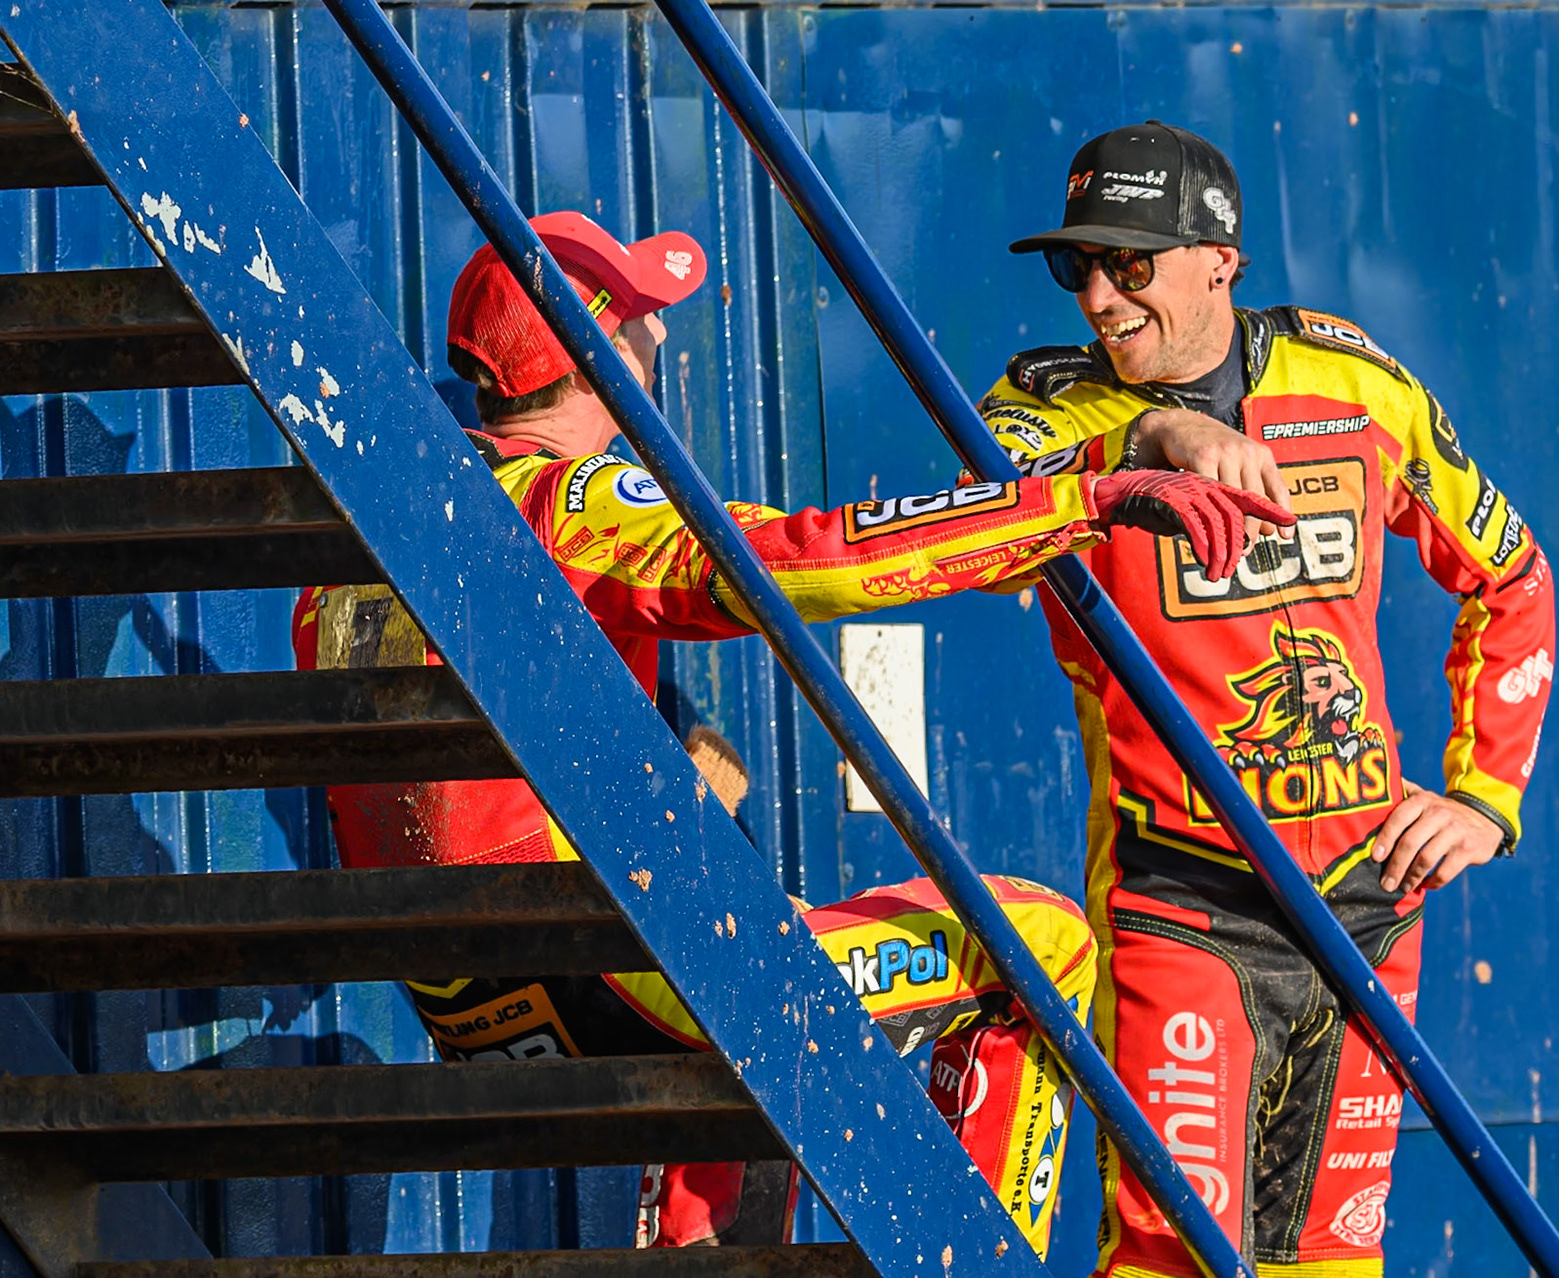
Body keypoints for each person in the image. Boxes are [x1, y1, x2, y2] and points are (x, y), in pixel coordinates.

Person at [290, 210, 1291, 1257]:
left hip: (468, 1005)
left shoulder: (375, 534)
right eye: (638, 317)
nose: (664, 337)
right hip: (610, 976)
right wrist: (1082, 503)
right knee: (1040, 939)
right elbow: (800, 557)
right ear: (588, 358)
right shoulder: (564, 503)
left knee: (761, 949)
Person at [976, 123, 1557, 1276]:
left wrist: (1484, 796)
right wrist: (1158, 434)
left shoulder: (1357, 387)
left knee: (1334, 1262)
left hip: (1370, 908)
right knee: (1173, 1257)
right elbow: (995, 493)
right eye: (1076, 266)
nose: (1098, 295)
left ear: (1219, 261)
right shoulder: (1042, 409)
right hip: (1179, 903)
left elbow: (1513, 576)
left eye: (1128, 264)